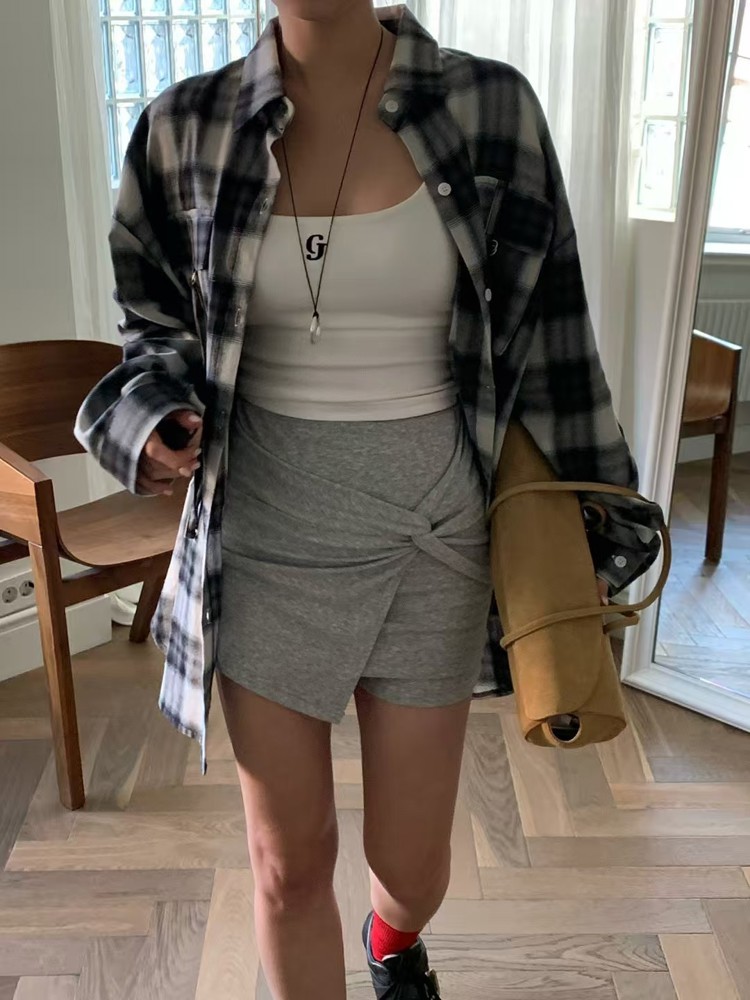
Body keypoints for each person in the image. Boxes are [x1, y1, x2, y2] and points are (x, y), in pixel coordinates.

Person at [76, 2, 664, 997]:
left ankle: (394, 939)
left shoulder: (490, 110)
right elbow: (154, 323)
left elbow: (554, 329)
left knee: (415, 865)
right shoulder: (183, 127)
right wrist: (157, 412)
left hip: (437, 534)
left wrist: (595, 526)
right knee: (287, 861)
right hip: (265, 535)